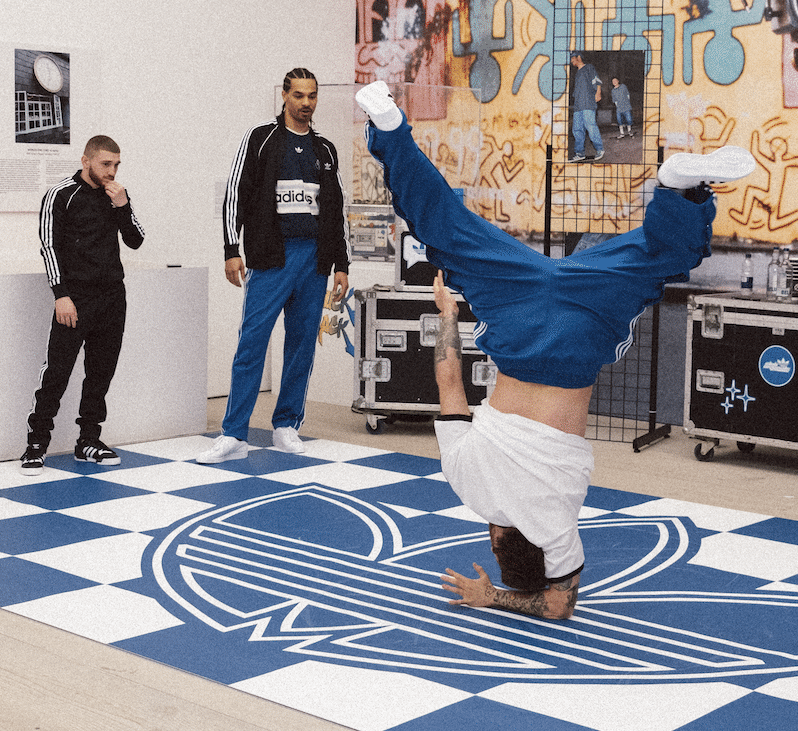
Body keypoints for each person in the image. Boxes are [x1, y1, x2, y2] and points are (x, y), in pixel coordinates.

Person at [356, 79, 752, 620]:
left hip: (578, 339)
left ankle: (679, 190)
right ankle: (389, 128)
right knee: (448, 227)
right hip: (516, 325)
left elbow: (558, 604)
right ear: (497, 540)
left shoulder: (556, 526)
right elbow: (448, 381)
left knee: (659, 260)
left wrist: (503, 597)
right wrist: (447, 314)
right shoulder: (469, 486)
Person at [199, 69, 350, 463]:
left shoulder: (325, 150)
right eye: (298, 95)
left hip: (314, 261)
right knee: (252, 343)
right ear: (284, 95)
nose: (306, 103)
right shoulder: (261, 138)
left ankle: (286, 426)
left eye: (312, 96)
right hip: (270, 258)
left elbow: (336, 210)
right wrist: (231, 249)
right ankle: (234, 434)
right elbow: (235, 194)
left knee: (302, 347)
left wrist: (342, 263)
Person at [22, 134, 146, 467]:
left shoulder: (116, 195)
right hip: (74, 298)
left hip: (112, 297)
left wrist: (123, 206)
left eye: (116, 164)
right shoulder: (61, 194)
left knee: (100, 374)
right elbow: (49, 247)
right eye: (105, 164)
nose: (112, 171)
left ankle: (89, 440)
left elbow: (135, 240)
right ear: (85, 161)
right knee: (57, 372)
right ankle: (36, 443)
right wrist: (60, 294)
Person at [568, 52, 604, 162]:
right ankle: (580, 153)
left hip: (588, 102)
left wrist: (598, 93)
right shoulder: (577, 73)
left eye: (572, 58)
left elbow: (597, 81)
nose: (571, 61)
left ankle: (600, 149)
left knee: (590, 125)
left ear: (579, 57)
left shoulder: (589, 67)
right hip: (578, 105)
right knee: (577, 129)